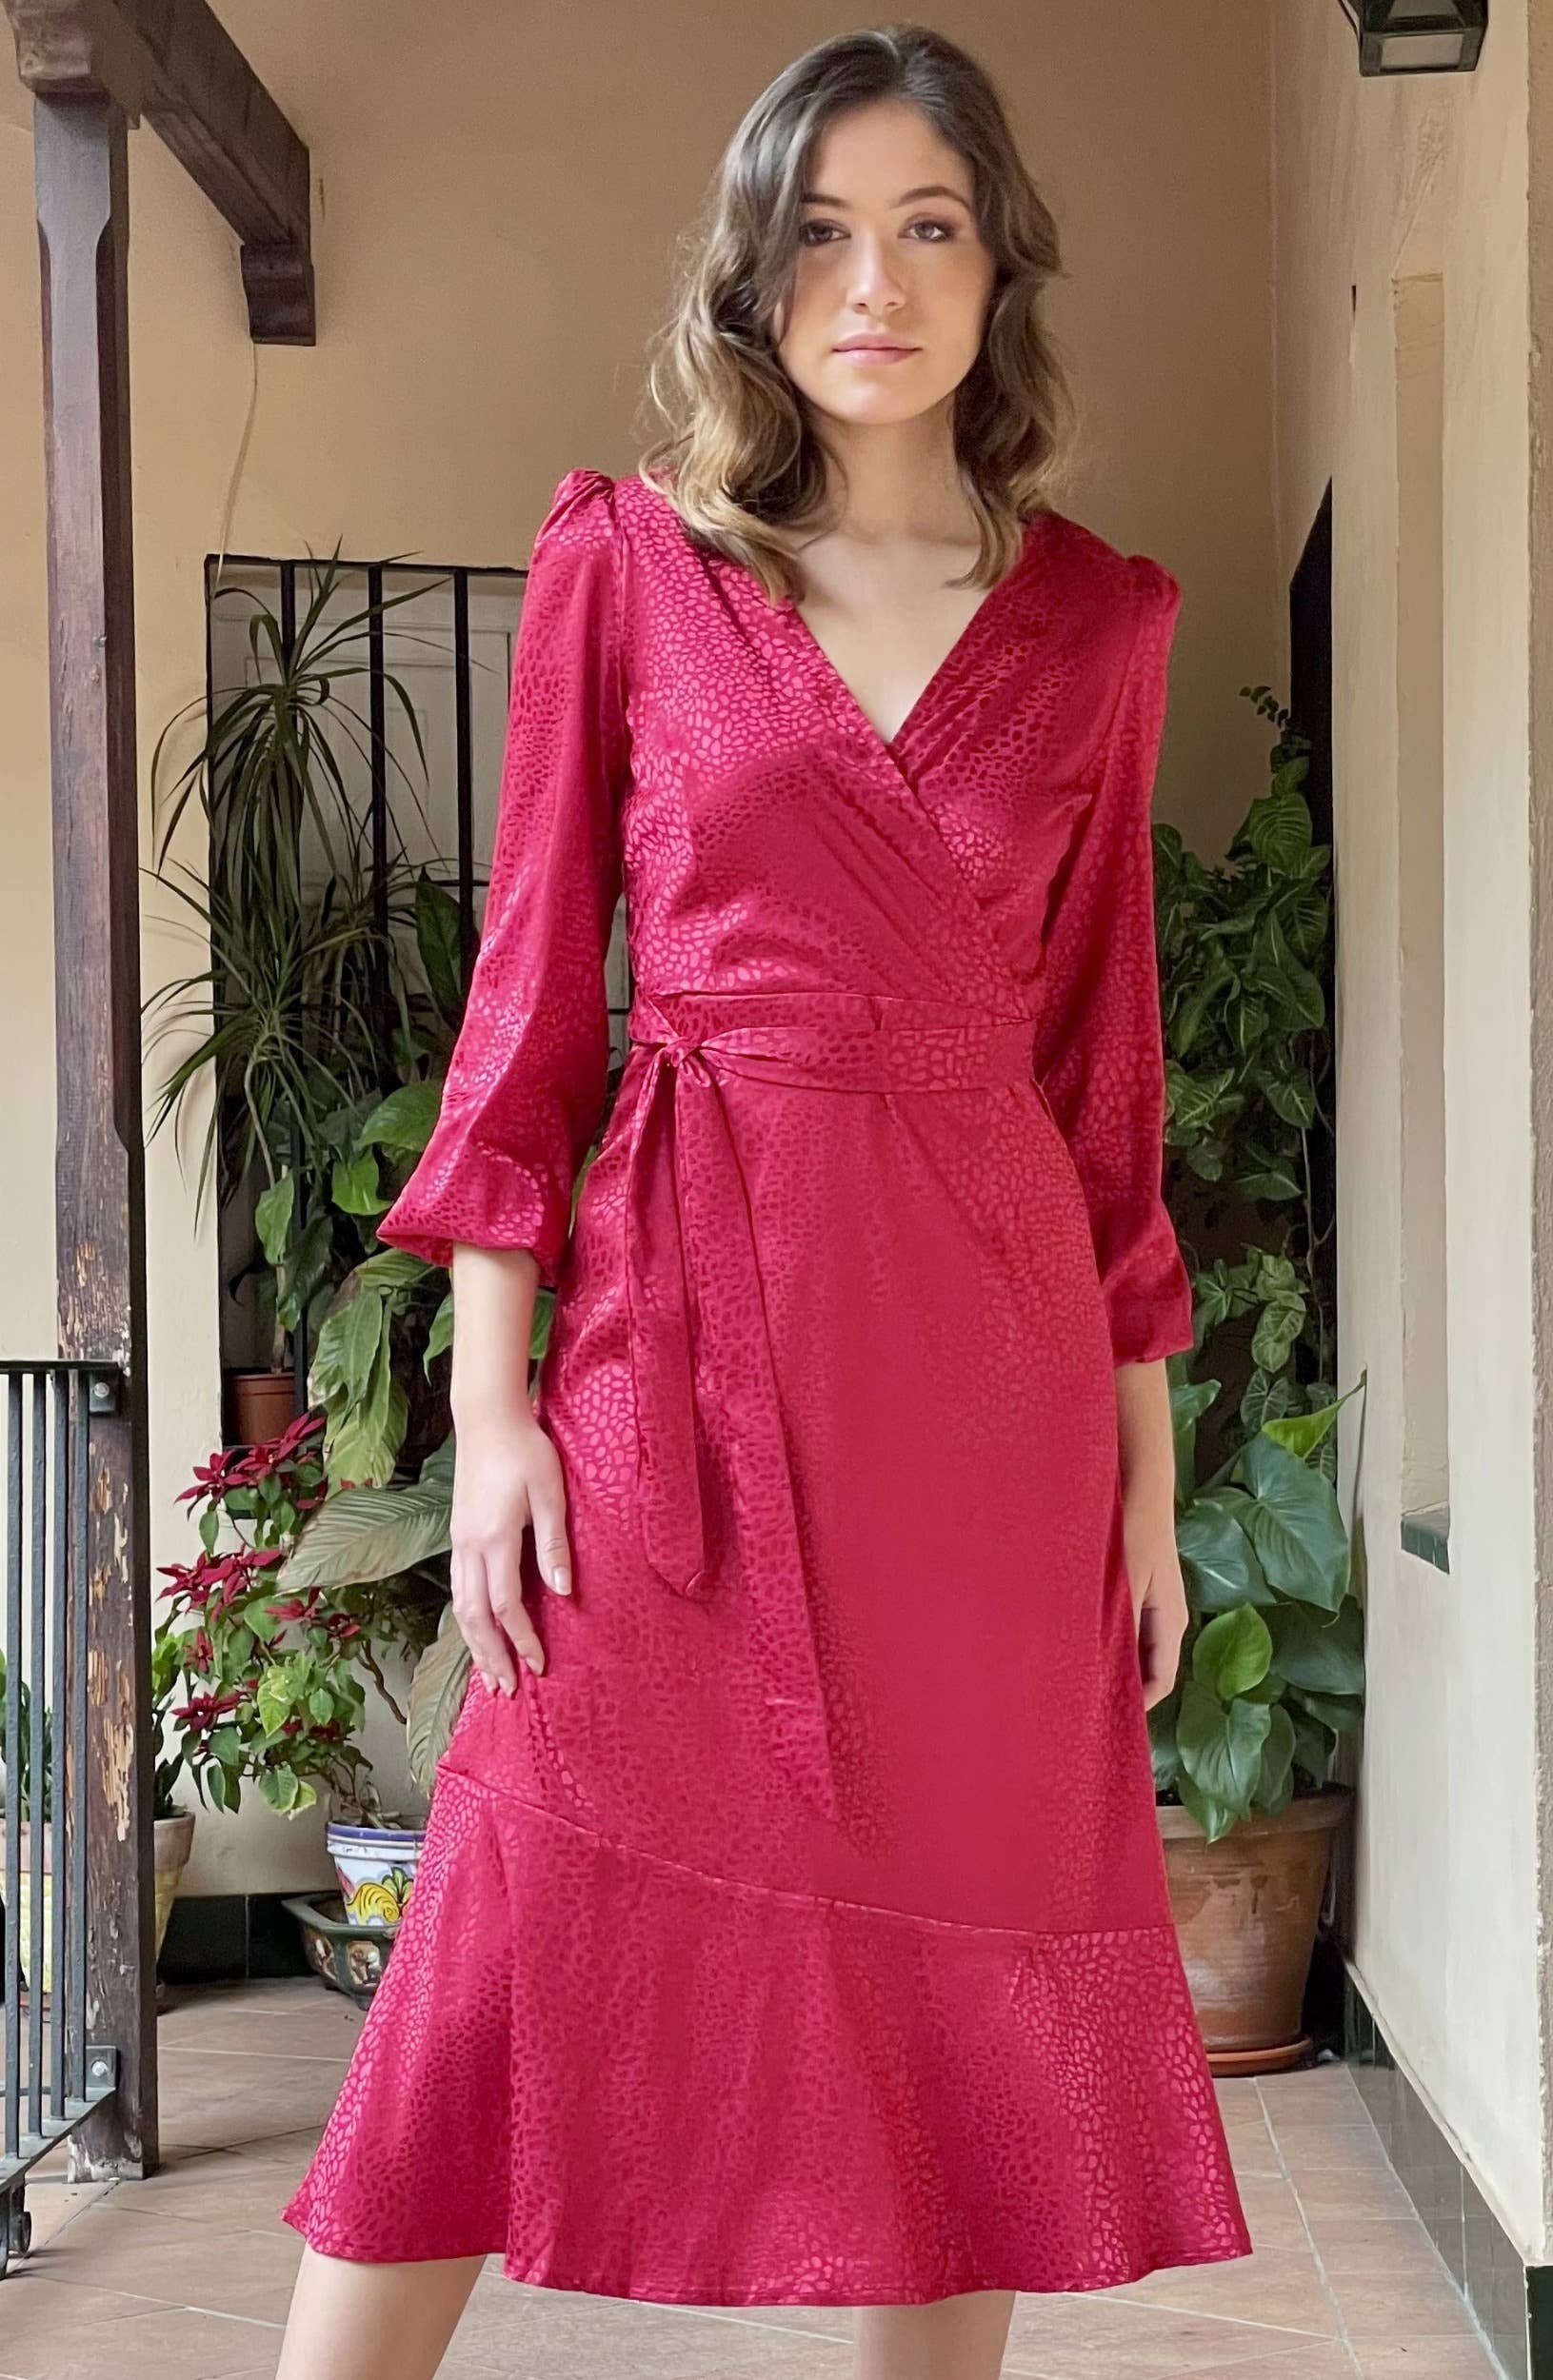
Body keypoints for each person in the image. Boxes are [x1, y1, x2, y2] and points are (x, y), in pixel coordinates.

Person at [275, 24, 1253, 2380]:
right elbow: (527, 1021)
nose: (874, 284)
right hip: (674, 1361)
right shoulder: (631, 566)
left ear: (1000, 268)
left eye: (928, 227)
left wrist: (1146, 1482)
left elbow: (1104, 1090)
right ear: (753, 271)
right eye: (820, 232)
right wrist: (491, 1417)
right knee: (506, 1912)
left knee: (957, 1988)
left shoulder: (1105, 625)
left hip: (991, 1403)